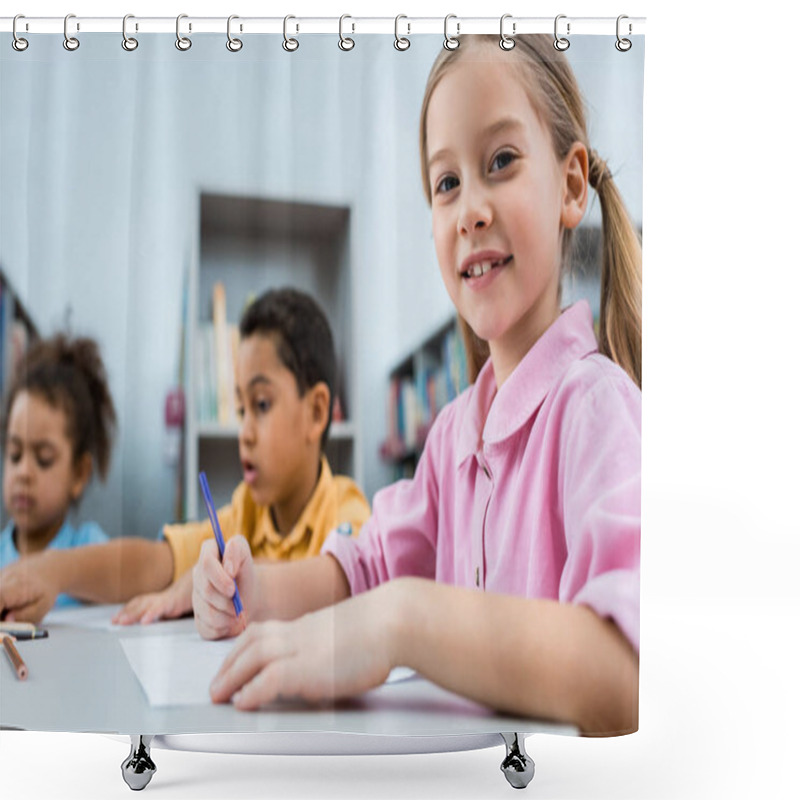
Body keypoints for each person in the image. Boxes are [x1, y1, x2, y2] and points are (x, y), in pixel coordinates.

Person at [192, 35, 642, 736]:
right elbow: (362, 570)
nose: (469, 210)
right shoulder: (452, 437)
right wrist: (246, 587)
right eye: (446, 183)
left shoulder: (598, 409)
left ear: (572, 185)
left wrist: (403, 619)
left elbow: (629, 674)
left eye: (501, 162)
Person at [0, 288, 370, 624]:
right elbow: (155, 563)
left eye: (261, 404)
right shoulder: (244, 512)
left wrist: (221, 577)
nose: (245, 432)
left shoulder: (344, 505)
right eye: (241, 410)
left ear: (318, 412)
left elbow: (342, 579)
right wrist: (53, 570)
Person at [0, 334, 116, 609]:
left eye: (43, 459)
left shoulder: (91, 549)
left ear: (79, 474)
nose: (23, 472)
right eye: (15, 455)